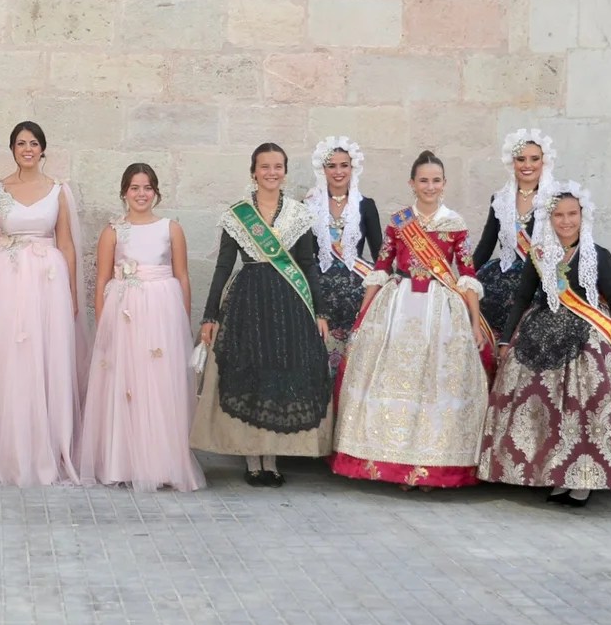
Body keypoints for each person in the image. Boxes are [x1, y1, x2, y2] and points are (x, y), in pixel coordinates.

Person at [479, 182, 611, 506]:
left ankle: (583, 479)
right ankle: (554, 474)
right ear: (549, 218)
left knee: (588, 401)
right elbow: (522, 298)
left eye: (572, 214)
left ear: (583, 216)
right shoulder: (538, 254)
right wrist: (505, 339)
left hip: (587, 336)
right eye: (558, 215)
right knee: (541, 403)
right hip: (539, 334)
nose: (566, 221)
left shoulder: (598, 255)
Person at [332, 150, 489, 489]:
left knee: (433, 385)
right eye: (423, 180)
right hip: (398, 306)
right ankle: (396, 465)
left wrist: (475, 324)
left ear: (444, 183)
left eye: (436, 180)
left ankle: (432, 468)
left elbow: (468, 273)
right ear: (412, 183)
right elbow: (381, 266)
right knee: (395, 381)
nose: (429, 186)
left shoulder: (455, 223)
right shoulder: (399, 221)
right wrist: (363, 315)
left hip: (441, 310)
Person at [0, 121, 86, 488]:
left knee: (45, 359)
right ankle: (4, 451)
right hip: (5, 279)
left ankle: (47, 450)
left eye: (34, 143)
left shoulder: (59, 191)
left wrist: (72, 292)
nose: (28, 149)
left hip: (48, 281)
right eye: (21, 143)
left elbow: (68, 244)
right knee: (8, 359)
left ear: (43, 149)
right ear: (12, 149)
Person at [190, 143, 333, 487]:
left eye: (278, 167)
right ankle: (252, 460)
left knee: (279, 376)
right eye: (264, 167)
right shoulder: (237, 215)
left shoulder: (299, 214)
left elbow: (309, 265)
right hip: (247, 302)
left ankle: (272, 458)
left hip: (289, 303)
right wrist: (210, 315)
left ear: (285, 171)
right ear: (253, 172)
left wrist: (320, 311)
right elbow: (224, 266)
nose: (271, 173)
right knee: (249, 373)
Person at [79, 163, 204, 492]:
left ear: (156, 192)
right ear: (124, 192)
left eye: (147, 187)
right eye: (134, 188)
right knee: (127, 384)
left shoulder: (170, 228)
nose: (141, 194)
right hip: (125, 314)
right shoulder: (113, 231)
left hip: (161, 312)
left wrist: (182, 318)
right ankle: (124, 462)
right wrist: (104, 324)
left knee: (159, 386)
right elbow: (103, 279)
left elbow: (182, 276)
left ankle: (162, 463)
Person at [302, 136, 382, 375]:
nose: (338, 171)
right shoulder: (307, 205)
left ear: (352, 167)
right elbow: (303, 254)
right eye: (332, 165)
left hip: (355, 292)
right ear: (322, 169)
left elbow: (380, 253)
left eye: (344, 165)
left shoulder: (365, 205)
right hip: (319, 291)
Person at [471, 129, 555, 334]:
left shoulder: (557, 198)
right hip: (502, 279)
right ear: (512, 162)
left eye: (534, 159)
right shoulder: (499, 200)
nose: (527, 165)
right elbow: (486, 245)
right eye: (521, 159)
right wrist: (464, 277)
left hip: (541, 278)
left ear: (544, 161)